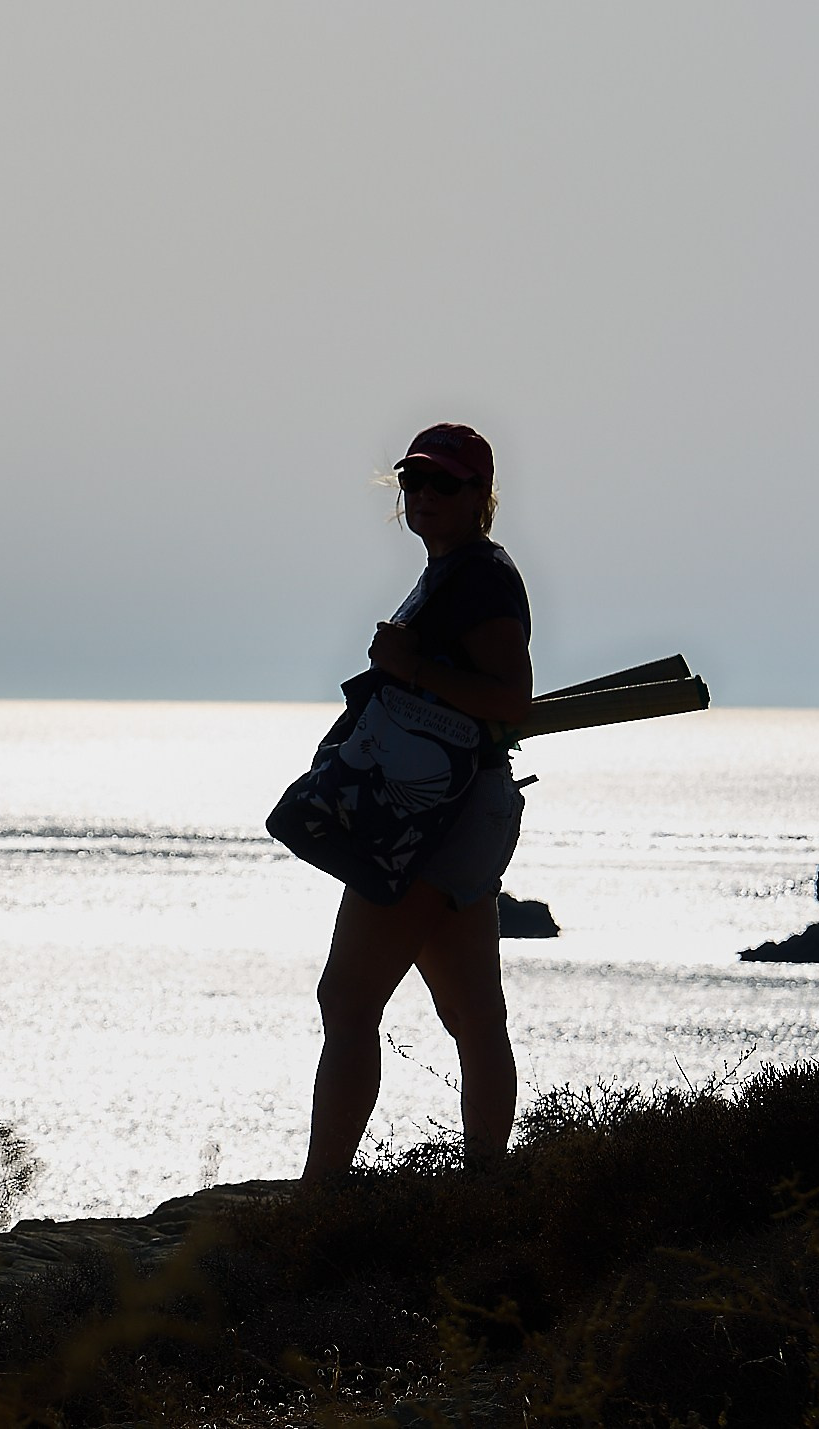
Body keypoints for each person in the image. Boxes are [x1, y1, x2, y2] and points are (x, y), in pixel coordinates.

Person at [301, 422, 533, 1184]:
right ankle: (486, 1186)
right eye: (414, 482)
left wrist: (409, 667)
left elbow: (512, 701)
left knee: (347, 997)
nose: (424, 495)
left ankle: (322, 1193)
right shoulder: (455, 571)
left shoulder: (482, 578)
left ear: (480, 496)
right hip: (454, 815)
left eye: (444, 483)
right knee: (472, 1015)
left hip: (433, 819)